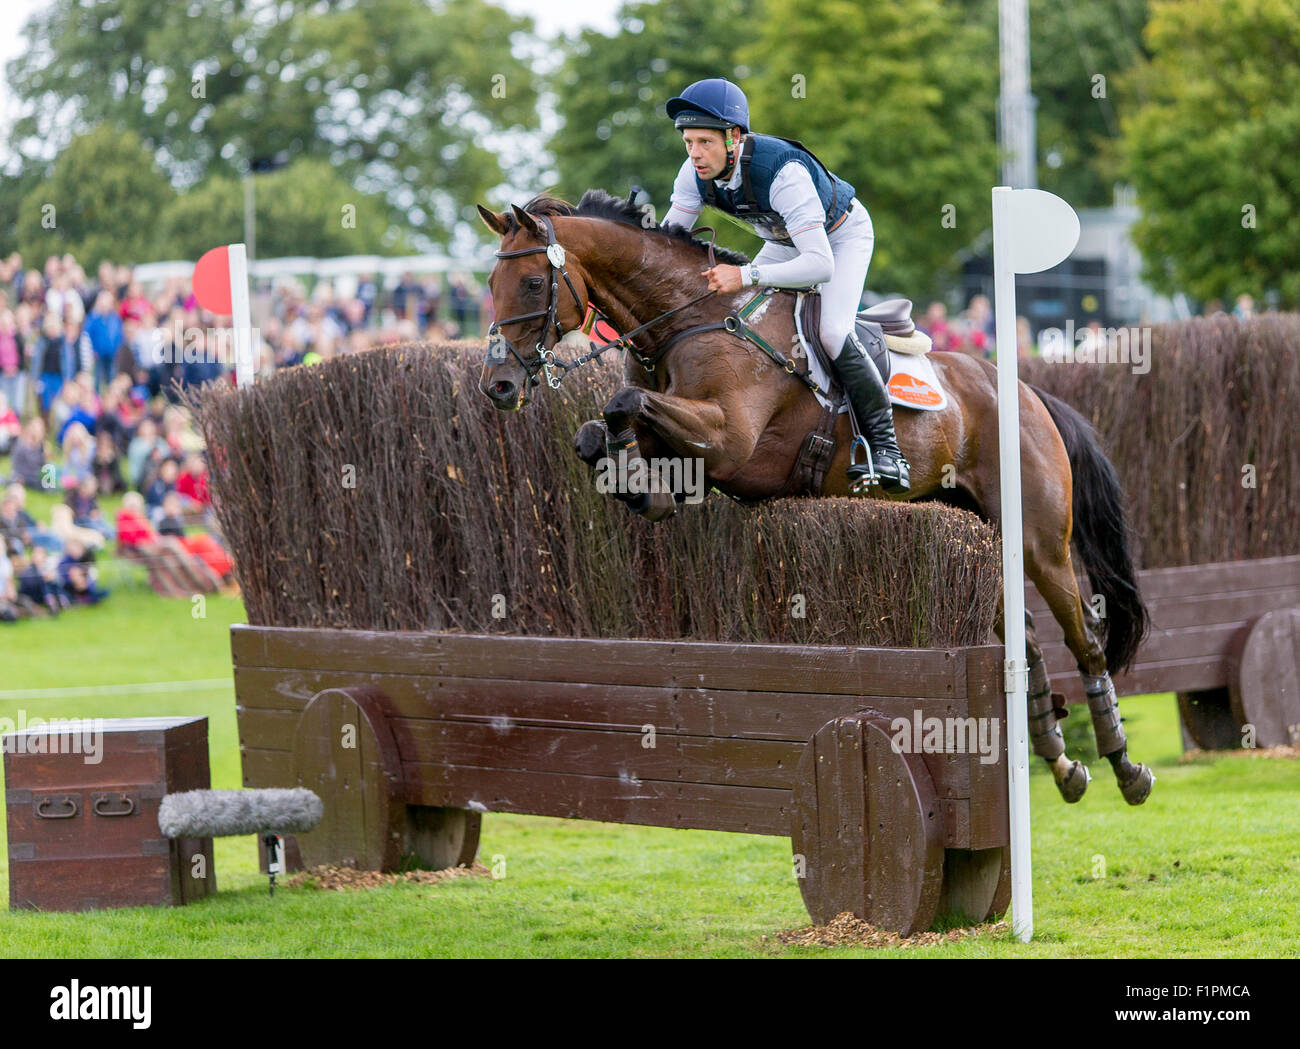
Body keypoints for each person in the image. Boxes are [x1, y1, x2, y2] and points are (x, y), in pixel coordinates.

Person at [660, 77, 908, 493]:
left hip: (838, 238)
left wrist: (745, 275)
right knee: (739, 319)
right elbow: (667, 243)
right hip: (781, 240)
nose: (695, 154)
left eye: (704, 142)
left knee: (832, 332)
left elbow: (818, 264)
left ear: (733, 137)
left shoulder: (782, 171)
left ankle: (887, 450)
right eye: (688, 142)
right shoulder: (692, 173)